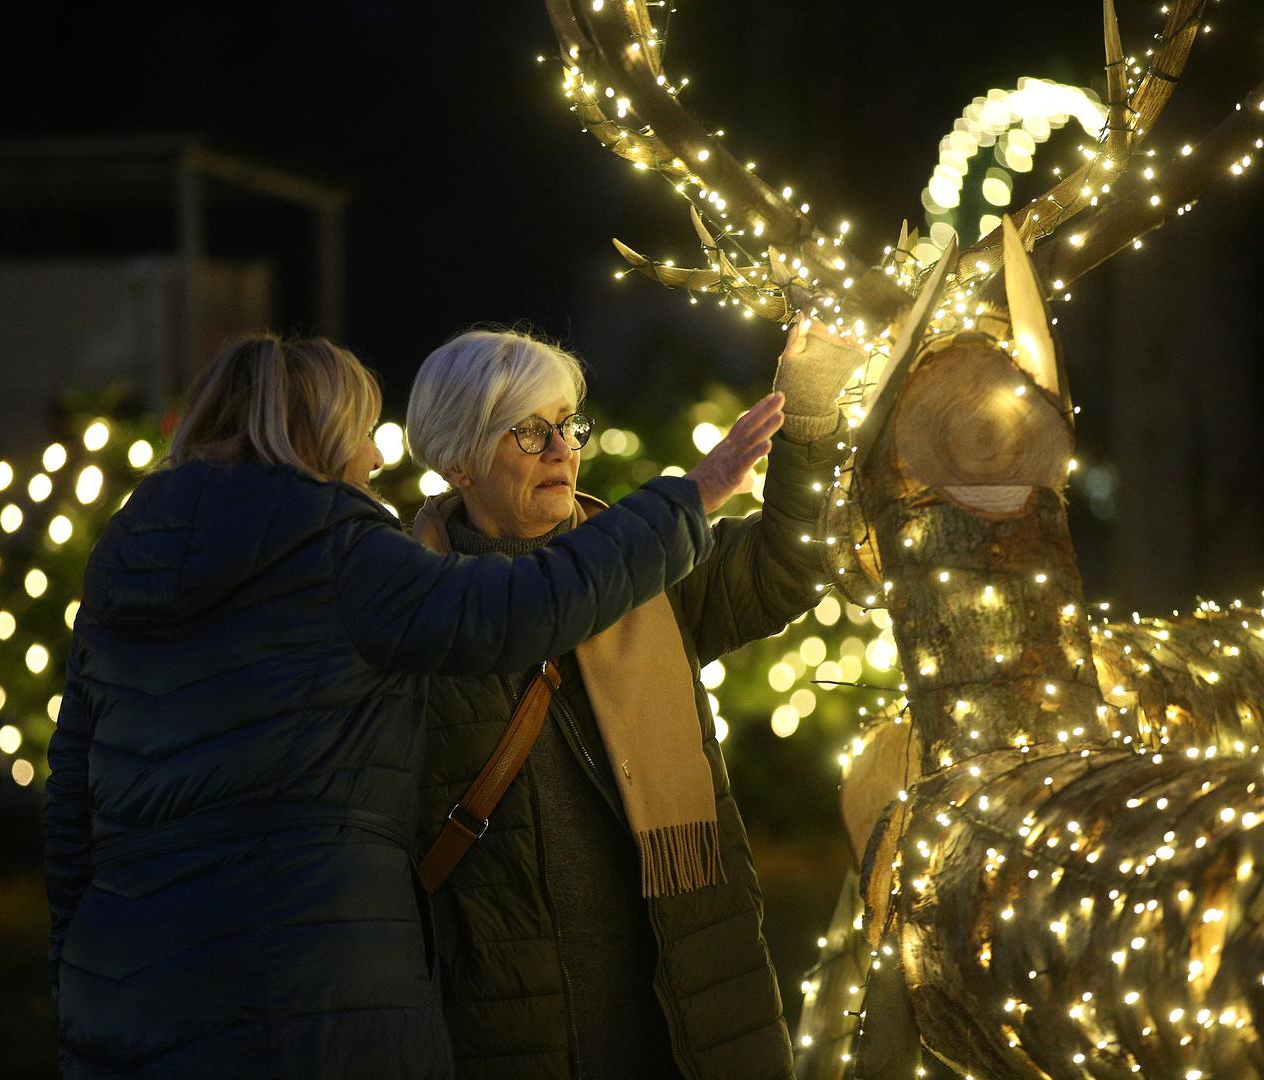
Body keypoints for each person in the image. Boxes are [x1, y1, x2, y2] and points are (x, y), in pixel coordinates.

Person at [42, 332, 783, 1079]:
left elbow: (71, 793)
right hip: (318, 989)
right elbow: (512, 608)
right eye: (362, 432)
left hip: (127, 988)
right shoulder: (339, 549)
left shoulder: (125, 557)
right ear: (322, 437)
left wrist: (78, 970)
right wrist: (690, 496)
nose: (373, 458)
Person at [405, 324, 852, 1080]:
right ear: (456, 460)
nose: (561, 449)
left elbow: (786, 565)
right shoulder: (409, 610)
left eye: (568, 424)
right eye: (527, 431)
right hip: (508, 1019)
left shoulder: (648, 560)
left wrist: (805, 420)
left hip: (685, 1000)